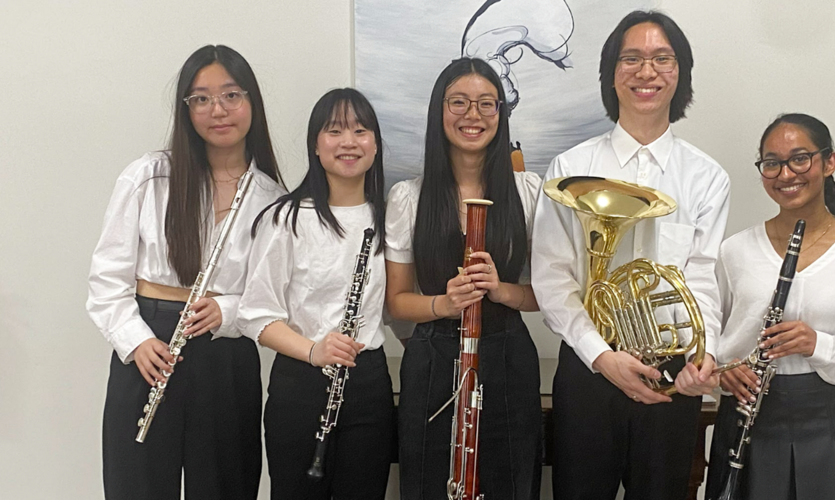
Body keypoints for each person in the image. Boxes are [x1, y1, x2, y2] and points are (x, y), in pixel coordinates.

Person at [531, 10, 730, 499]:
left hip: (671, 376)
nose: (647, 72)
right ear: (611, 74)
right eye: (632, 59)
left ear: (679, 73)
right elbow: (552, 277)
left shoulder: (707, 178)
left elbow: (702, 278)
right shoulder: (571, 167)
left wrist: (703, 355)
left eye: (662, 59)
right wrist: (602, 357)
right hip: (589, 370)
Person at [86, 45, 286, 500]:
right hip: (149, 346)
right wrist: (136, 341)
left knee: (224, 484)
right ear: (186, 108)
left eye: (231, 95)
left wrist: (229, 311)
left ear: (252, 101)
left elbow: (270, 296)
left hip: (225, 354)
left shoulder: (273, 200)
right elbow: (107, 280)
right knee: (137, 483)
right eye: (201, 98)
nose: (218, 110)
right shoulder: (148, 176)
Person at [706, 113, 835, 500]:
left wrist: (820, 345)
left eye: (799, 158)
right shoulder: (734, 251)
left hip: (825, 424)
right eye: (772, 163)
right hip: (743, 419)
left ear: (829, 162)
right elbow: (703, 341)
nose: (786, 174)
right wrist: (721, 372)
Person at [385, 57, 543, 500]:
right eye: (458, 102)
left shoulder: (529, 192)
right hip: (433, 360)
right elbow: (397, 302)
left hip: (507, 357)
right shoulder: (408, 197)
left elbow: (548, 295)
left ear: (501, 114)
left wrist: (501, 290)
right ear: (439, 111)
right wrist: (443, 303)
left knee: (508, 480)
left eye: (486, 104)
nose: (472, 115)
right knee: (429, 480)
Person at [237, 88, 393, 500]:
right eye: (335, 131)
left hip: (369, 382)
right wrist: (313, 350)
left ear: (375, 146)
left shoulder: (390, 218)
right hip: (300, 382)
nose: (348, 142)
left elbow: (395, 306)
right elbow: (255, 315)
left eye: (361, 131)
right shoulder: (286, 218)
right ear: (316, 146)